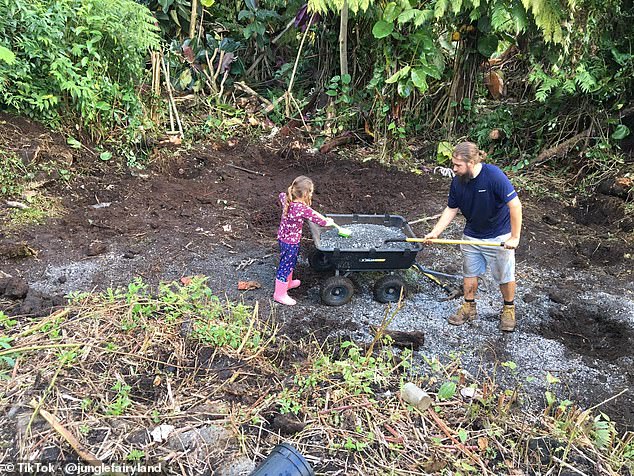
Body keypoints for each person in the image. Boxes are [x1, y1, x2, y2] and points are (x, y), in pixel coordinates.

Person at [424, 142, 522, 332]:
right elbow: (452, 208)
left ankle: (509, 308)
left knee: (504, 275)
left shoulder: (493, 176)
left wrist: (515, 237)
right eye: (453, 164)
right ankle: (469, 307)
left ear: (471, 162)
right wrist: (436, 232)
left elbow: (515, 205)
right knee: (469, 273)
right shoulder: (458, 181)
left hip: (498, 236)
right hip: (472, 235)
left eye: (458, 165)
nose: (454, 169)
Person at [274, 176, 334, 306]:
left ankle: (288, 283)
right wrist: (329, 221)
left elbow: (281, 195)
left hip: (283, 238)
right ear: (306, 193)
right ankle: (279, 294)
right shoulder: (300, 208)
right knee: (285, 265)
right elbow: (321, 222)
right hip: (291, 242)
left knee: (289, 261)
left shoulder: (286, 198)